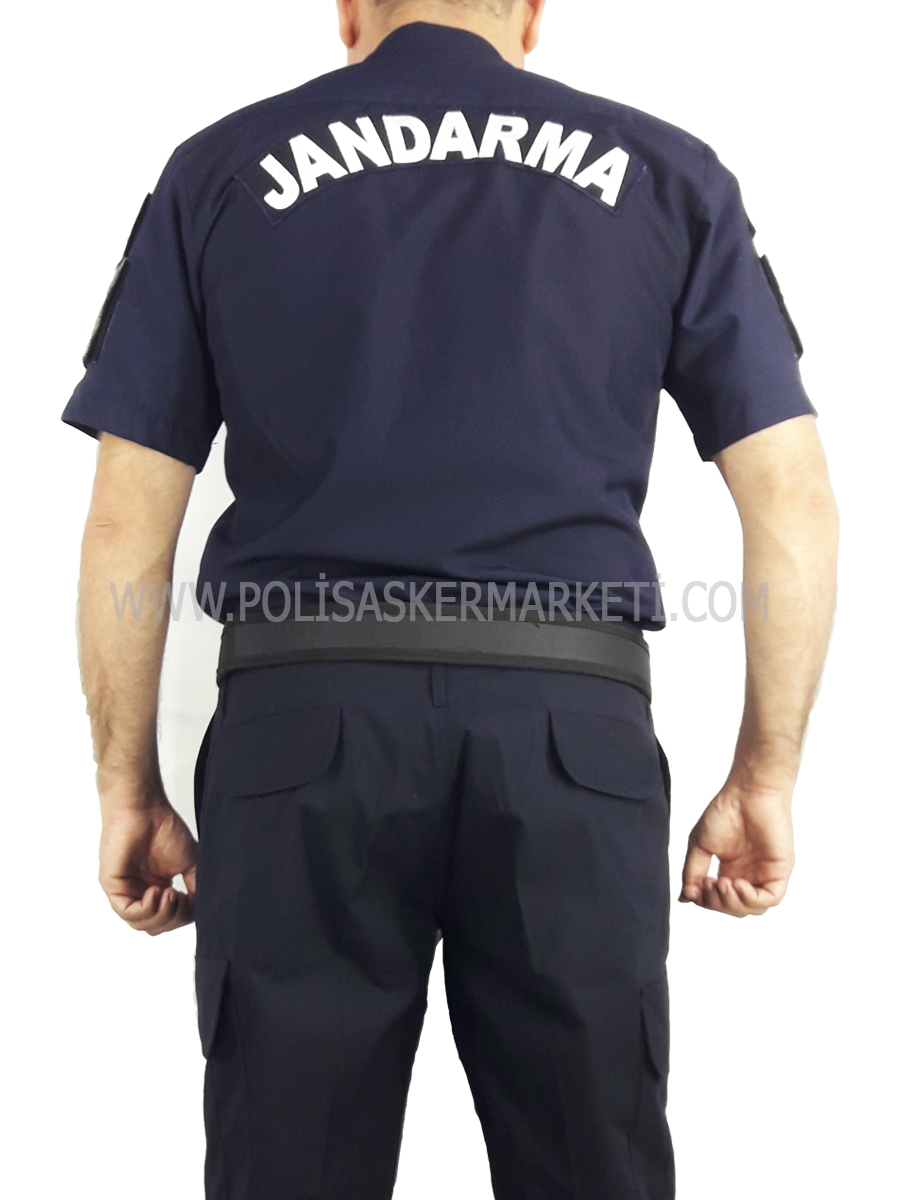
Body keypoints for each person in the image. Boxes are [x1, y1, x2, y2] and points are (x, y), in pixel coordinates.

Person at [63, 1, 839, 1196]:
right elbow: (790, 496)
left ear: (347, 12)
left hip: (301, 741)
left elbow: (128, 519)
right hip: (569, 741)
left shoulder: (220, 168)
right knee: (591, 1167)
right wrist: (765, 775)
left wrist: (126, 787)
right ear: (532, 15)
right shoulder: (667, 173)